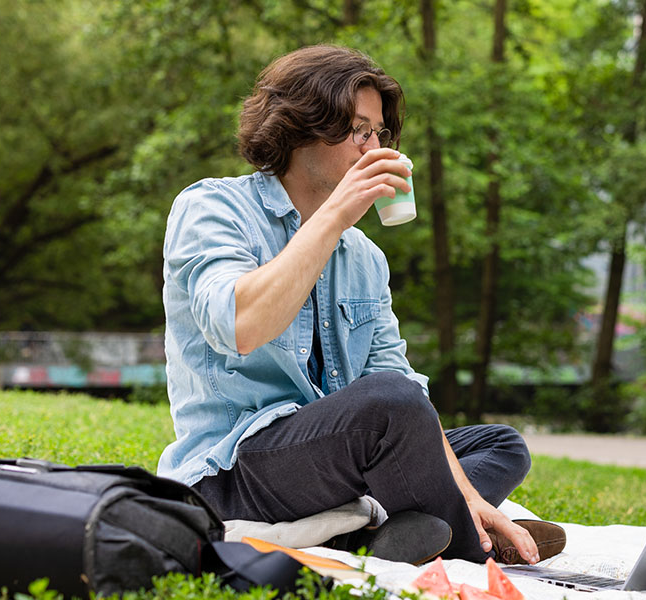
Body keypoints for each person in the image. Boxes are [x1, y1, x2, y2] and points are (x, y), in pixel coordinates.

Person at [156, 44, 563, 565]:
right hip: (235, 472)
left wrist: (469, 493)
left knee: (498, 445)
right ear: (302, 125)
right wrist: (332, 217)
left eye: (379, 134)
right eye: (359, 131)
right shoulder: (212, 206)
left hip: (333, 458)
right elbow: (240, 325)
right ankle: (466, 551)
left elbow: (401, 383)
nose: (374, 149)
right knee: (388, 407)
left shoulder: (364, 257)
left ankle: (386, 530)